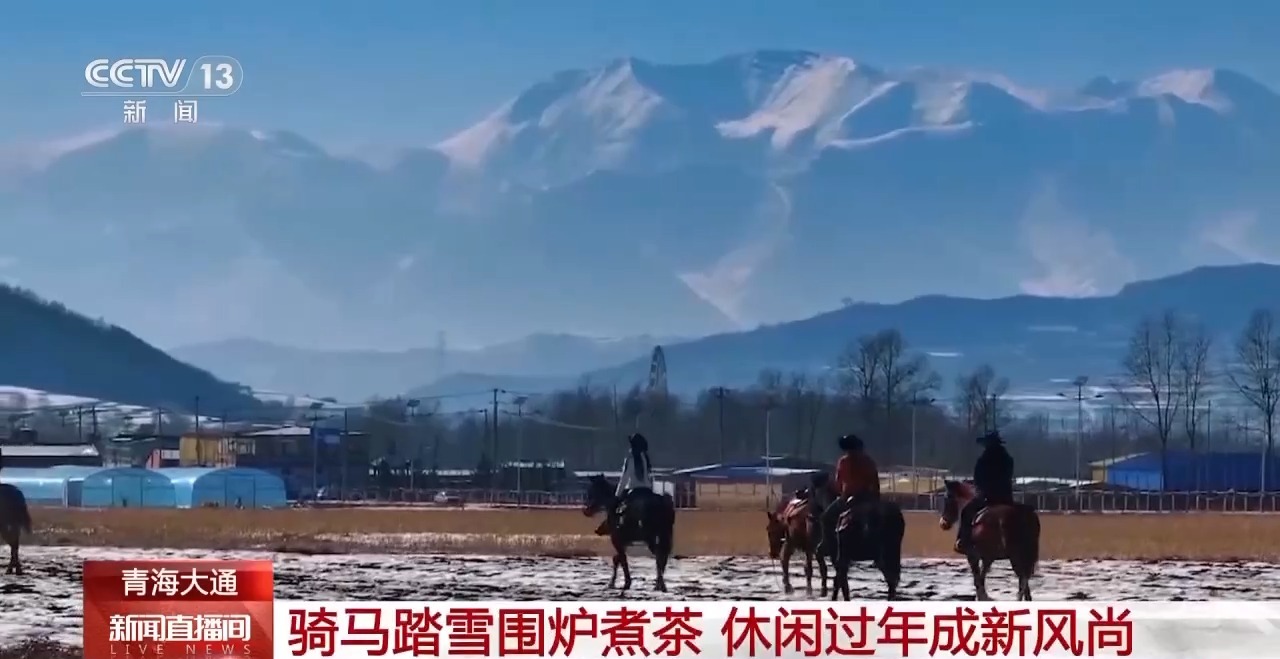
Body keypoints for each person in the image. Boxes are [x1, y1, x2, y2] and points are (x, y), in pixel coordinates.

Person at [817, 434, 880, 554]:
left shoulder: (843, 461)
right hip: (868, 497)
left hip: (848, 497)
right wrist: (876, 498)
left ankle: (827, 544)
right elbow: (875, 482)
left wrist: (836, 490)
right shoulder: (868, 461)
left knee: (825, 518)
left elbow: (839, 483)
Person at [956, 429, 1015, 553]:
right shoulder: (1008, 458)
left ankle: (964, 541)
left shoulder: (983, 460)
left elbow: (978, 479)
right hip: (1006, 497)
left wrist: (980, 488)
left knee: (966, 512)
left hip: (988, 497)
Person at [596, 433, 655, 536]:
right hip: (647, 491)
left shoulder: (630, 459)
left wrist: (617, 495)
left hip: (634, 491)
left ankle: (610, 527)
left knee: (614, 507)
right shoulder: (645, 458)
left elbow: (624, 479)